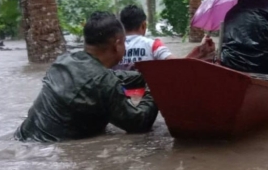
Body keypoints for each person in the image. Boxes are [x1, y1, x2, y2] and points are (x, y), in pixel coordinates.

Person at [15, 12, 160, 142]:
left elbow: (109, 76)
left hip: (23, 138)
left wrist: (148, 75)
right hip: (47, 149)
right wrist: (155, 88)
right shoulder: (104, 82)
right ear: (117, 44)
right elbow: (139, 123)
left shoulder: (64, 61)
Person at [116, 5, 215, 69]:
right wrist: (200, 50)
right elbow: (178, 66)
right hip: (149, 95)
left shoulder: (113, 48)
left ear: (121, 26)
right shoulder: (153, 45)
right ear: (143, 25)